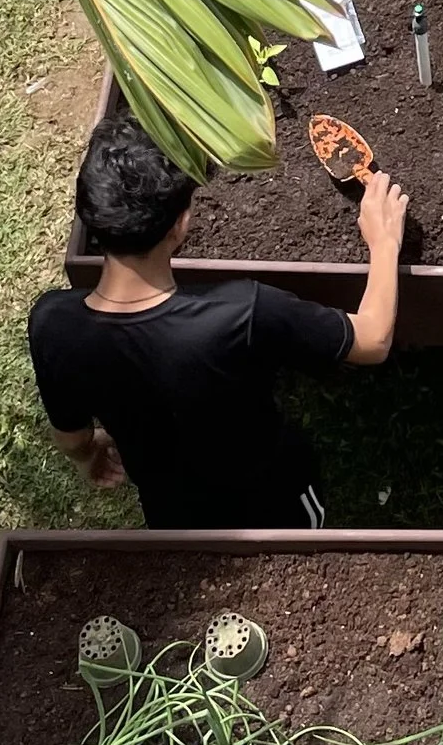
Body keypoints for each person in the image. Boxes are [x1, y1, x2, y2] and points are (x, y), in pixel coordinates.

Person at [29, 109, 406, 529]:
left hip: (171, 517)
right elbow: (373, 340)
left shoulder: (53, 324)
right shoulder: (243, 314)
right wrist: (384, 243)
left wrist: (90, 455)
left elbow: (72, 437)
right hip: (277, 506)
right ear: (180, 225)